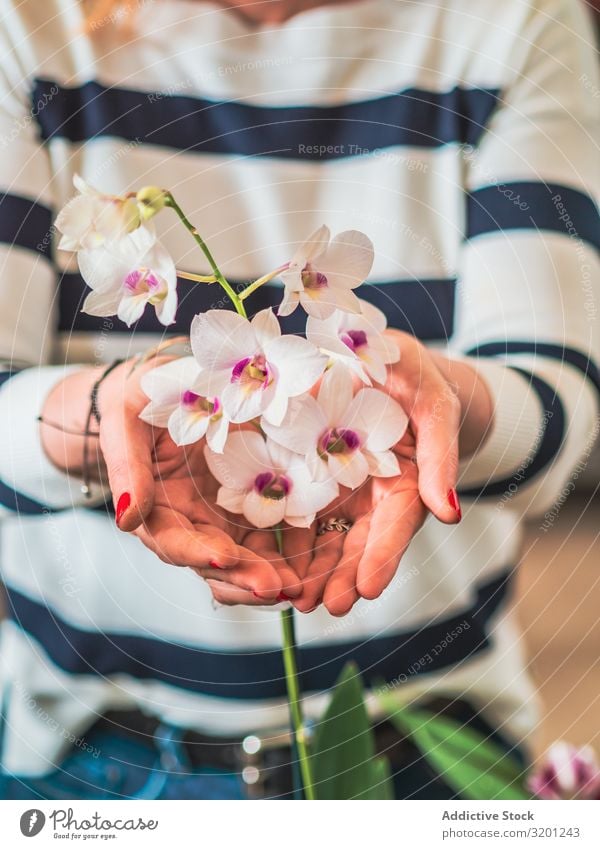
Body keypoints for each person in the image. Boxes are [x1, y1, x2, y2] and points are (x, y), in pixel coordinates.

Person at [0, 0, 598, 800]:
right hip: (87, 757)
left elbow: (556, 398)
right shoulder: (27, 22)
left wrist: (443, 403)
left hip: (425, 747)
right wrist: (107, 413)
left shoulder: (517, 16)